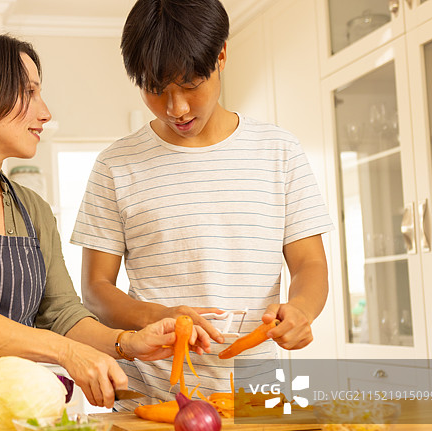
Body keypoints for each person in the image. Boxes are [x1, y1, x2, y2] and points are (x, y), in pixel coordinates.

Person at [0, 31, 211, 410]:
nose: (45, 112)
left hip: (8, 419)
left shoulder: (33, 210)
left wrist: (128, 343)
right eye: (29, 92)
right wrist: (67, 354)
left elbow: (62, 313)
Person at [70, 0, 333, 408]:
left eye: (190, 85)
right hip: (150, 400)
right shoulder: (116, 164)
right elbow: (95, 288)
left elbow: (309, 264)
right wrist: (156, 315)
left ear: (222, 56)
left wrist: (301, 309)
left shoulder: (279, 151)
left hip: (253, 399)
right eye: (156, 90)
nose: (177, 109)